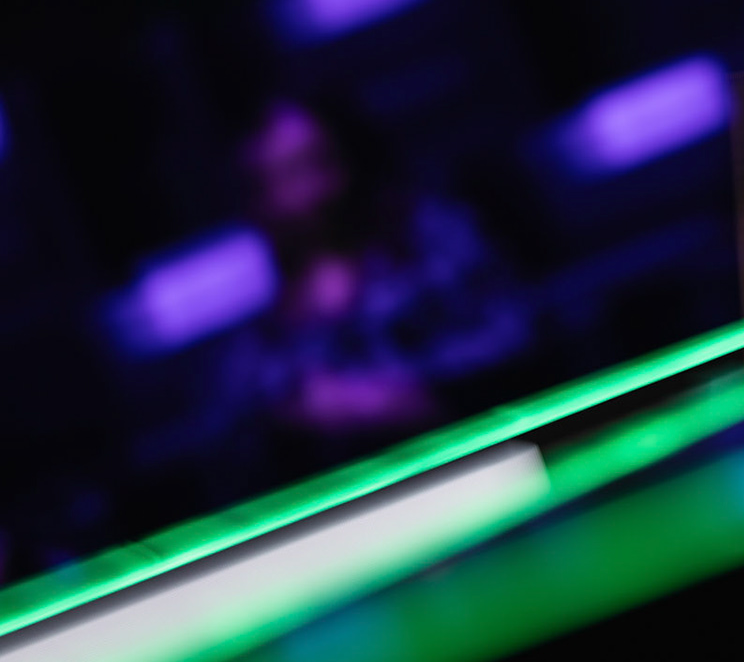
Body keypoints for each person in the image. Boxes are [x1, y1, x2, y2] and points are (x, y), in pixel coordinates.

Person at [165, 98, 530, 501]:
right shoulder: (260, 342)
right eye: (281, 179)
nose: (312, 192)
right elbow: (226, 457)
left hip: (488, 483)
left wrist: (376, 402)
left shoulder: (432, 246)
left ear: (348, 161)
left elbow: (515, 347)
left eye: (315, 163)